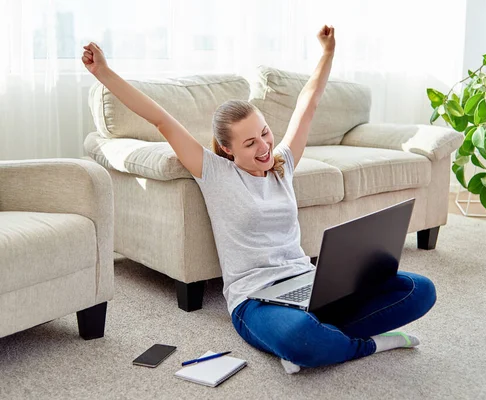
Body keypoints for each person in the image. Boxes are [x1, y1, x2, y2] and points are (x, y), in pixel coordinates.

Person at [82, 25, 436, 374]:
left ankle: (326, 337)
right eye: (250, 143)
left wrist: (328, 52)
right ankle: (370, 343)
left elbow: (308, 105)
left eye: (264, 133)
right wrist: (104, 72)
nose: (265, 147)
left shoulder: (283, 168)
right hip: (256, 301)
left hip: (308, 285)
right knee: (301, 337)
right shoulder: (215, 173)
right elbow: (160, 119)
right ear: (227, 150)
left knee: (420, 290)